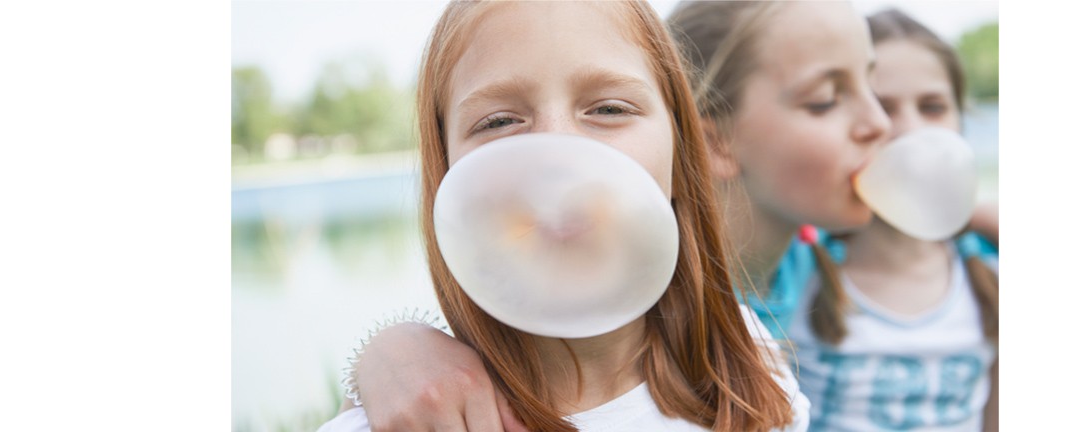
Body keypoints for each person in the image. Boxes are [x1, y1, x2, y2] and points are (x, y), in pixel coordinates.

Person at [343, 1, 902, 429]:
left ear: (685, 153)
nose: (560, 154)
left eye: (609, 109)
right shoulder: (418, 414)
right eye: (498, 121)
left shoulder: (750, 373)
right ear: (445, 172)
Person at [784, 9, 1000, 431]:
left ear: (960, 121)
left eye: (933, 106)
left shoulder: (989, 277)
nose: (909, 130)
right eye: (883, 106)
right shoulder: (796, 269)